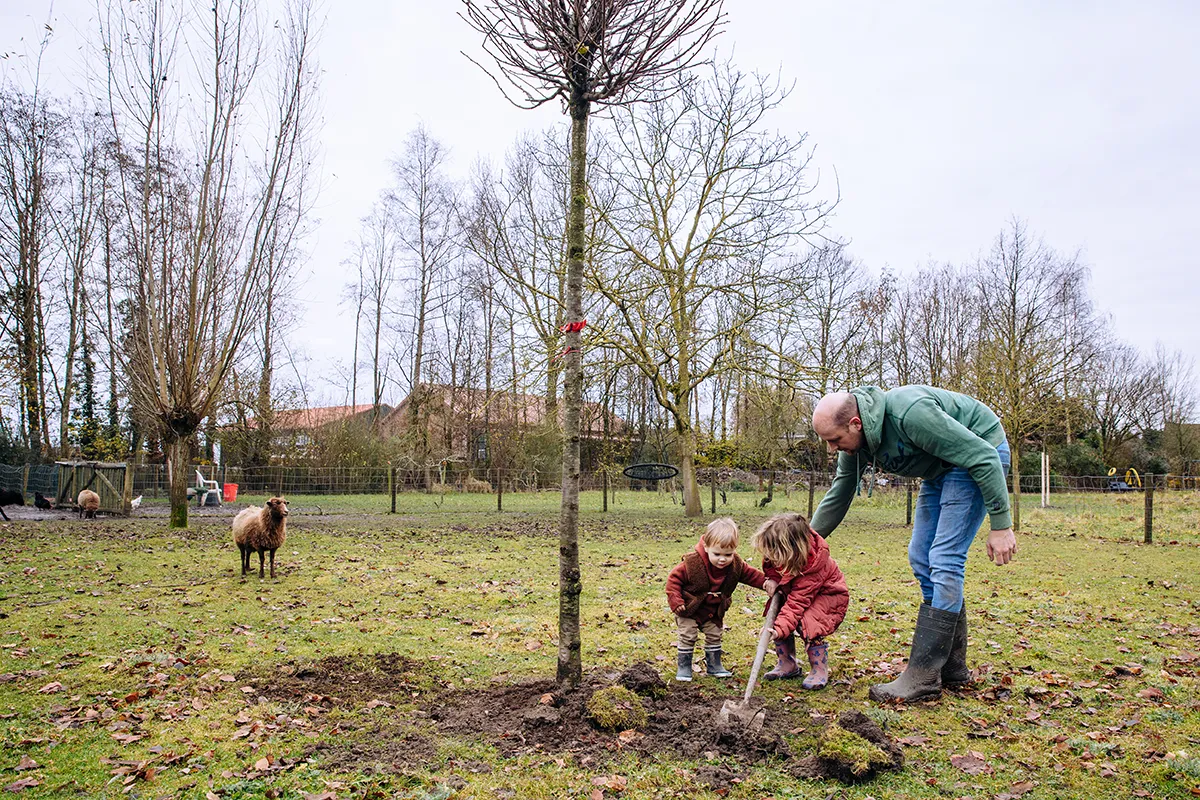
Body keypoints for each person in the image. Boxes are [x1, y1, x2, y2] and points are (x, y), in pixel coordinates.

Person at [809, 386, 1015, 703]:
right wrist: (806, 545)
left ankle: (923, 675)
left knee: (945, 559)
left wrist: (1001, 524)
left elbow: (983, 456)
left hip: (979, 453)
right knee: (921, 557)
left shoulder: (910, 413)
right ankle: (951, 668)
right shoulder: (854, 446)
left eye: (834, 439)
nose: (832, 448)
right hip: (940, 468)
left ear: (855, 423)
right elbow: (840, 492)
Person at [665, 517, 778, 682]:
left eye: (728, 554)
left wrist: (766, 582)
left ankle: (714, 665)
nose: (722, 559)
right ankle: (684, 666)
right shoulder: (692, 563)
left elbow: (751, 575)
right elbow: (673, 581)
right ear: (706, 547)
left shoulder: (735, 565)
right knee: (688, 635)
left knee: (714, 634)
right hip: (689, 609)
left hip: (713, 611)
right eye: (717, 554)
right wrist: (676, 601)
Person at [751, 512, 849, 689]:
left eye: (774, 552)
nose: (770, 556)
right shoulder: (778, 554)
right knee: (778, 617)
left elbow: (796, 604)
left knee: (810, 624)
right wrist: (772, 579)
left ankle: (819, 669)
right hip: (798, 592)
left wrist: (778, 630)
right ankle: (787, 664)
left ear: (791, 551)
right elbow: (773, 569)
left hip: (828, 596)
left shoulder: (812, 568)